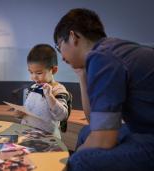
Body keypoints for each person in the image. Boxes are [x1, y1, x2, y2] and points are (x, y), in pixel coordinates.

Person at [54, 8, 154, 171]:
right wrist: (82, 75)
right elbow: (95, 123)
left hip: (148, 135)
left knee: (79, 161)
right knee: (86, 132)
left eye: (59, 47)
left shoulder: (103, 58)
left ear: (73, 37)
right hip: (144, 128)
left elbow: (104, 139)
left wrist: (74, 158)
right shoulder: (112, 50)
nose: (62, 57)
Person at [17, 44, 72, 139]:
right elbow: (29, 110)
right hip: (28, 134)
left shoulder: (58, 90)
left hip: (47, 139)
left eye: (39, 73)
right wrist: (20, 114)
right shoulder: (34, 87)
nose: (34, 77)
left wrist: (50, 96)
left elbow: (62, 116)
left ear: (53, 70)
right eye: (31, 72)